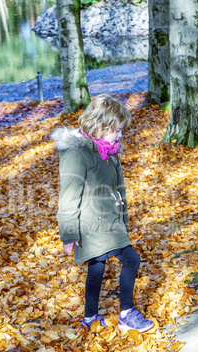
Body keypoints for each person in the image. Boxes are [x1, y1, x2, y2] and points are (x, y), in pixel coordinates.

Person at [51, 94, 154, 333]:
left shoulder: (109, 150)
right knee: (130, 259)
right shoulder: (77, 154)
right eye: (116, 130)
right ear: (99, 126)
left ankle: (90, 317)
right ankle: (126, 315)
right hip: (91, 225)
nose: (120, 135)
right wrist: (68, 234)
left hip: (111, 223)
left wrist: (123, 220)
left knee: (97, 268)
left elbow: (119, 190)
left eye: (120, 130)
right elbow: (69, 196)